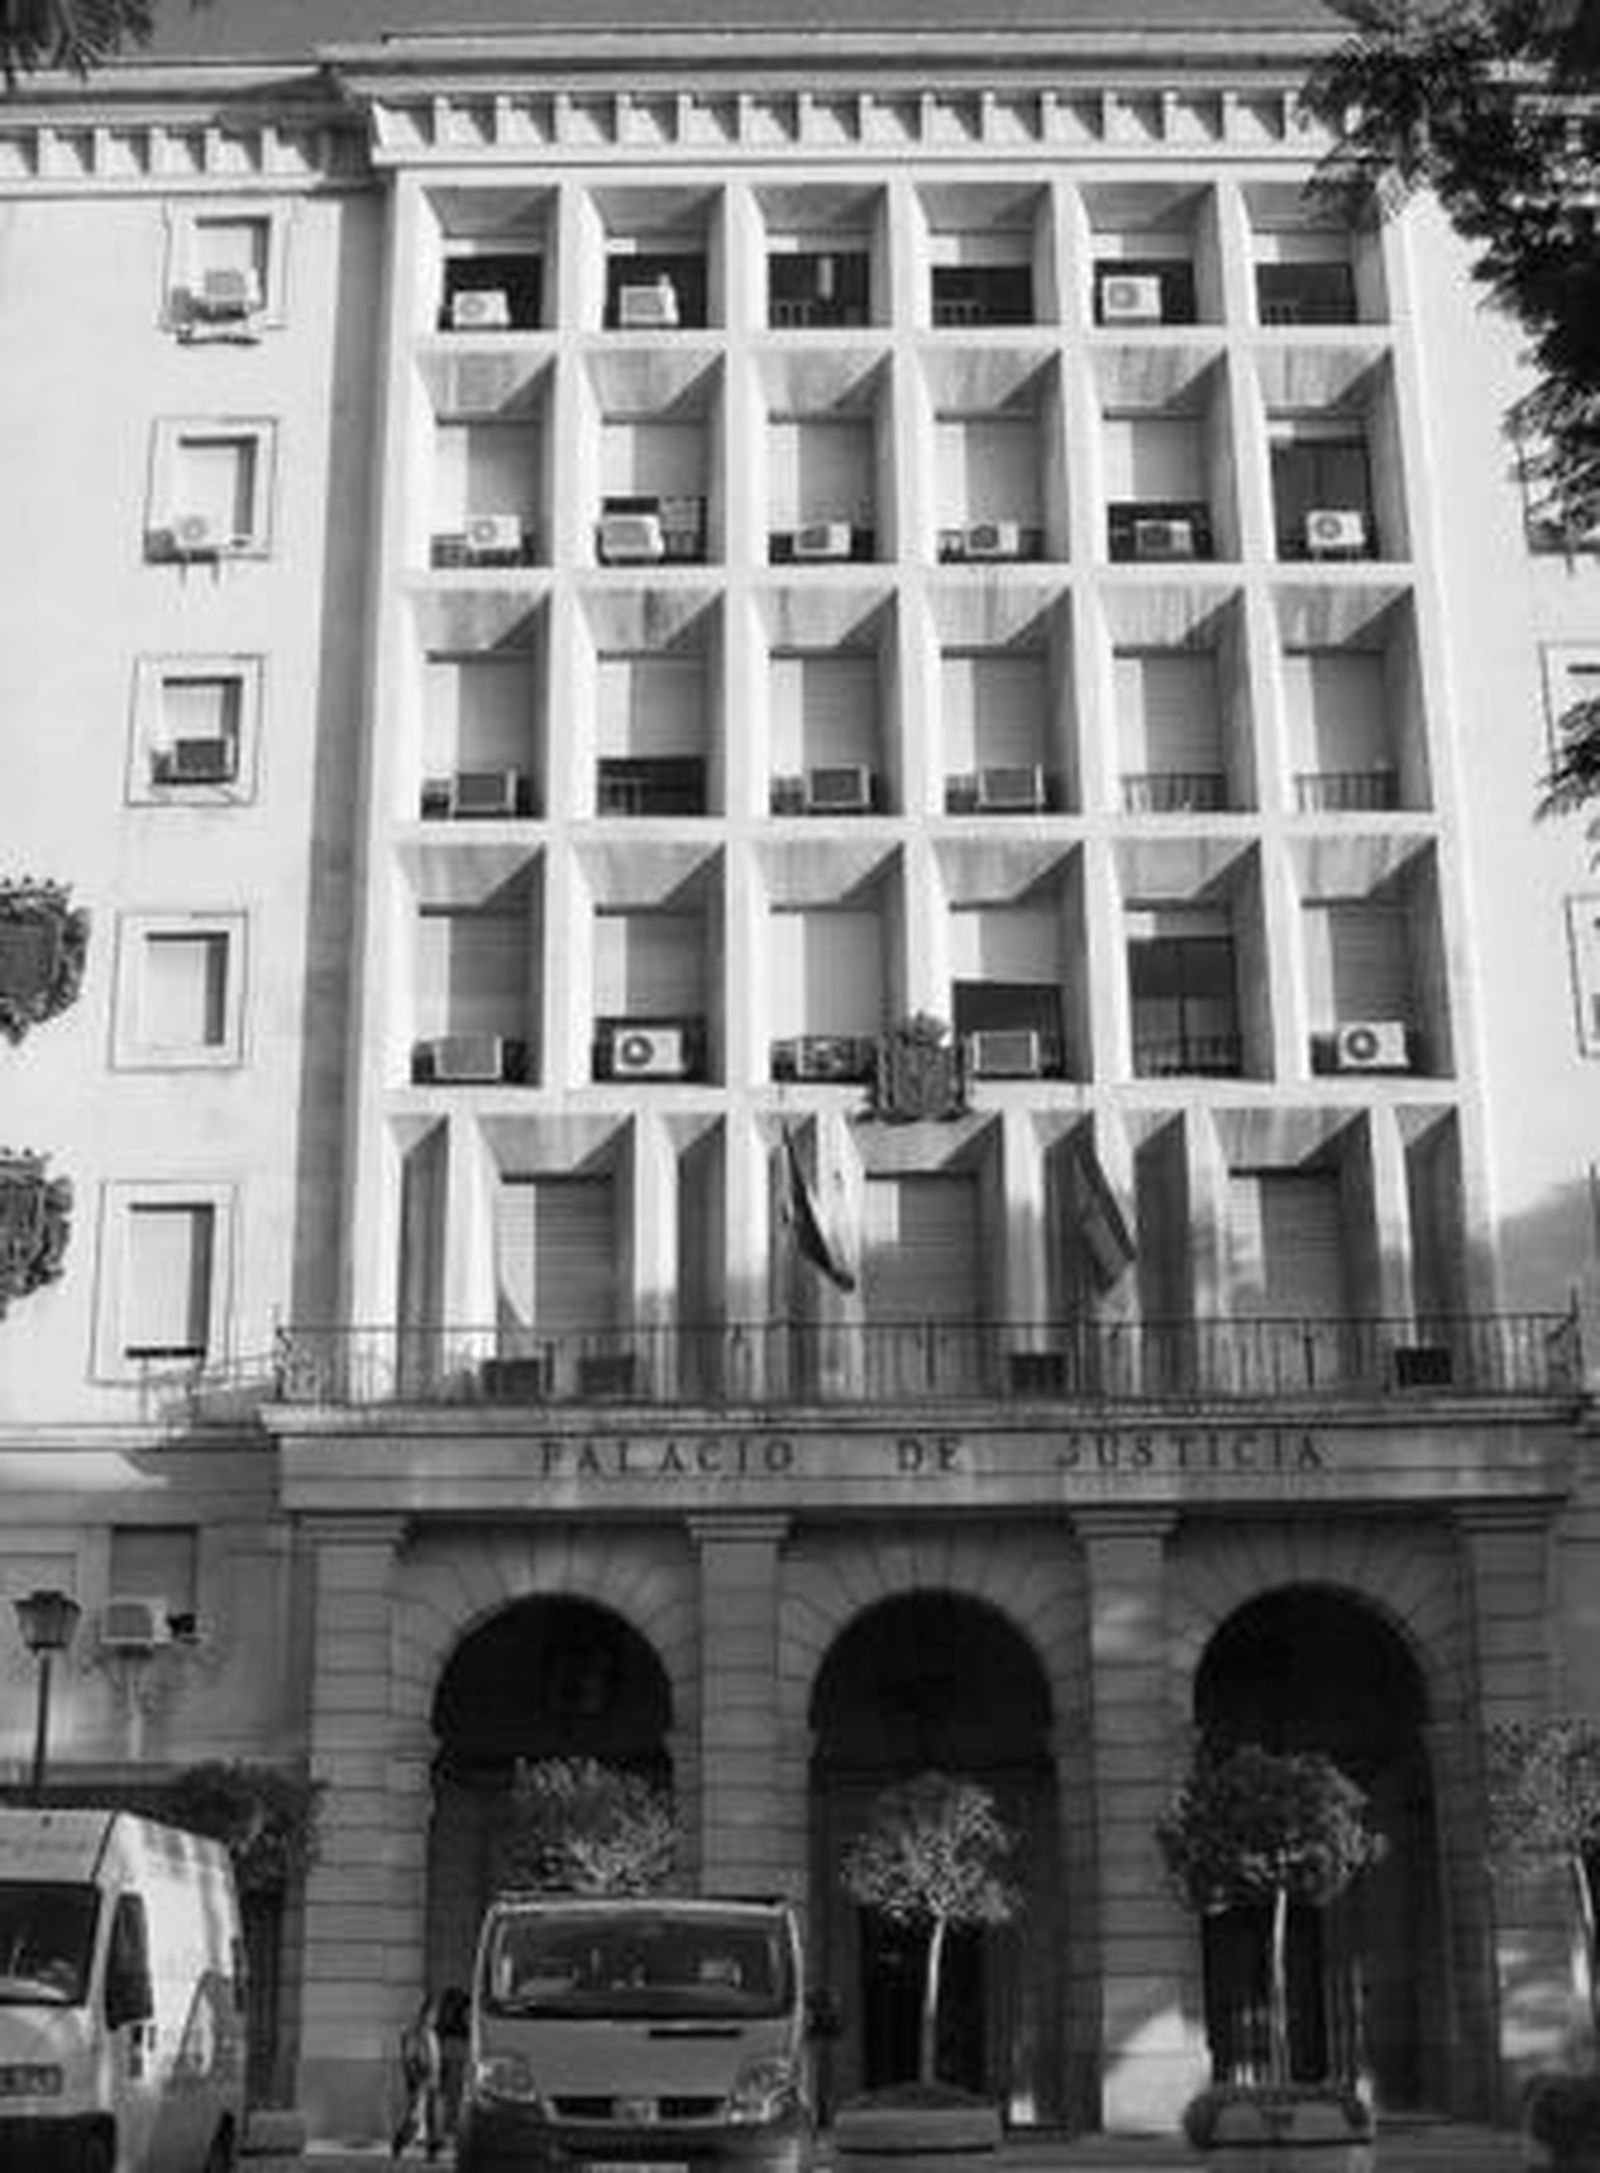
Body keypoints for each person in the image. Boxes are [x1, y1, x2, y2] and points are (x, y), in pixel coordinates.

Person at [392, 1993, 443, 2160]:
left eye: (436, 2014)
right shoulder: (415, 2032)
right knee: (414, 2119)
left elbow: (435, 2058)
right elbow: (410, 2058)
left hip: (433, 2081)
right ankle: (399, 2142)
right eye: (432, 2014)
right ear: (424, 2013)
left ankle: (432, 2151)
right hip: (420, 2081)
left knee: (433, 2117)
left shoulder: (432, 2034)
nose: (434, 2017)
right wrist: (416, 2079)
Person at [435, 1985, 470, 2143]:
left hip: (444, 2056)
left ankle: (440, 2131)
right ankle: (452, 2130)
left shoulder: (440, 2023)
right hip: (456, 2055)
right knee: (455, 2095)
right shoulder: (461, 2027)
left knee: (443, 2095)